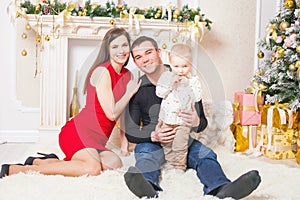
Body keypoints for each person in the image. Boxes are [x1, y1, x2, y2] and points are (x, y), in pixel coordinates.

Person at [123, 36, 261, 199]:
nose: (145, 59)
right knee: (144, 152)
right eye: (138, 57)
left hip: (183, 140)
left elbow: (202, 122)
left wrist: (196, 121)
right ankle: (147, 188)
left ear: (159, 52)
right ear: (135, 62)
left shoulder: (184, 76)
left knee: (206, 154)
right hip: (154, 143)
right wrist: (153, 135)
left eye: (148, 53)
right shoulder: (137, 88)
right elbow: (131, 132)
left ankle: (221, 188)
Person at [0, 27, 141, 178]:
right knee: (92, 169)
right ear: (107, 49)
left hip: (98, 140)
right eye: (115, 46)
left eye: (124, 45)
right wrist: (129, 92)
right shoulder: (102, 72)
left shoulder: (128, 76)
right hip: (79, 131)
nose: (121, 50)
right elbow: (112, 113)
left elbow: (123, 113)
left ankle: (44, 162)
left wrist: (124, 143)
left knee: (114, 163)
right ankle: (16, 169)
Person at [155, 43, 202, 172]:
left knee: (180, 145)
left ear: (191, 64)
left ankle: (180, 166)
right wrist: (171, 84)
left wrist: (188, 84)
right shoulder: (166, 77)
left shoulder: (192, 80)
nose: (180, 70)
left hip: (183, 121)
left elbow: (197, 97)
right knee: (167, 144)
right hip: (167, 119)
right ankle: (170, 163)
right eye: (176, 66)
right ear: (170, 64)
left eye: (185, 66)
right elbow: (159, 93)